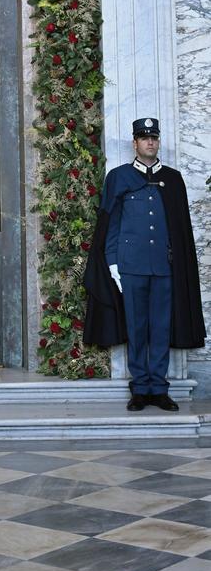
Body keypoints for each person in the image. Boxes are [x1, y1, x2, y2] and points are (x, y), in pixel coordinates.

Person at [84, 117, 205, 412]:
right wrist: (112, 264)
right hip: (131, 267)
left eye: (154, 138)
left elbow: (180, 229)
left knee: (161, 327)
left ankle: (159, 388)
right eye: (144, 138)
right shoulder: (119, 177)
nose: (150, 142)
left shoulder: (173, 179)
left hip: (163, 267)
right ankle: (140, 387)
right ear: (134, 143)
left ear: (158, 141)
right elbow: (110, 224)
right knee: (136, 328)